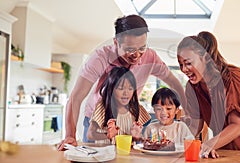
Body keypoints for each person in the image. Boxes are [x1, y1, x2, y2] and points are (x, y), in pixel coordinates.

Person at [57, 15, 186, 150]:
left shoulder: (150, 57)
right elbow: (76, 98)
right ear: (116, 43)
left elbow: (174, 83)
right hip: (98, 119)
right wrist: (70, 135)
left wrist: (187, 111)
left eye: (142, 48)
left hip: (126, 120)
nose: (136, 54)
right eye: (130, 49)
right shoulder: (100, 58)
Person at [177, 31, 240, 160]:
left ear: (205, 58)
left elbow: (237, 126)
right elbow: (196, 124)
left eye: (188, 63)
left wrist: (209, 144)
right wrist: (178, 143)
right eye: (180, 64)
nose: (183, 69)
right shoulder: (192, 87)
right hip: (229, 133)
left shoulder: (232, 77)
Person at [87, 67, 151, 142]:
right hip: (106, 152)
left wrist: (137, 137)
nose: (126, 93)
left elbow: (141, 139)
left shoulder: (136, 109)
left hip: (128, 153)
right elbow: (90, 134)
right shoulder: (103, 107)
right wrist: (108, 135)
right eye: (121, 88)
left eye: (130, 89)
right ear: (111, 89)